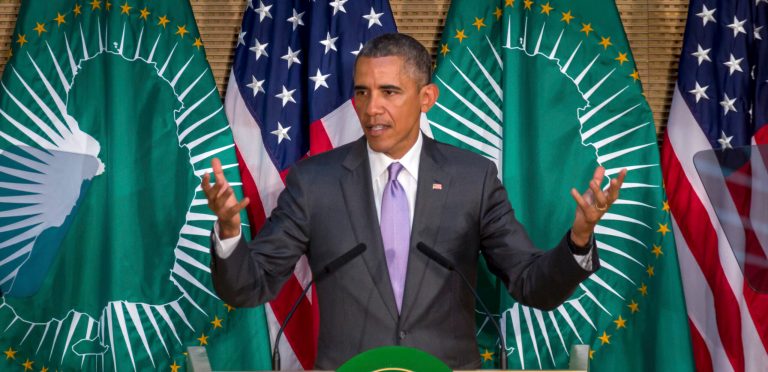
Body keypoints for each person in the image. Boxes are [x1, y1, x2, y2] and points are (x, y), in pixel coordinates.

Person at [203, 33, 626, 369]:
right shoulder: (315, 181)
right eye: (363, 92)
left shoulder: (472, 179)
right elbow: (248, 286)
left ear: (426, 98)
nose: (373, 108)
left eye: (390, 91)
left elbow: (532, 284)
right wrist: (228, 233)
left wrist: (579, 239)